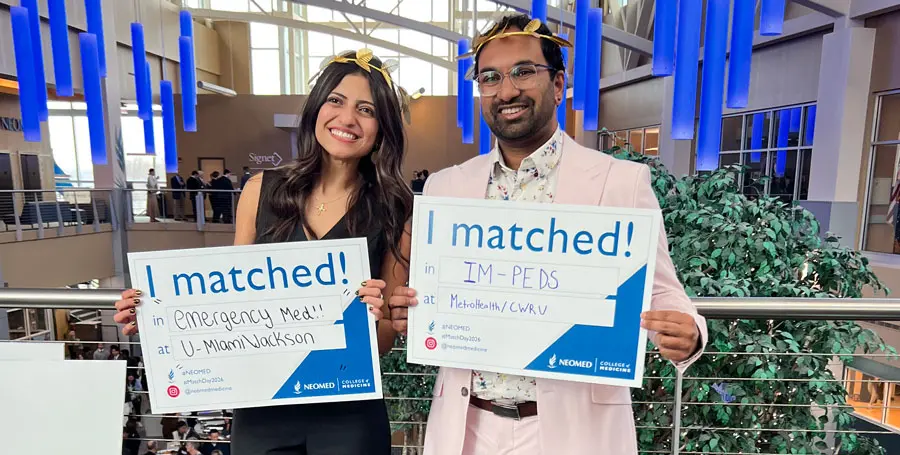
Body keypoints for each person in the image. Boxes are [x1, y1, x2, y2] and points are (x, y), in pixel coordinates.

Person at [387, 14, 708, 455]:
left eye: (523, 72)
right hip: (467, 427)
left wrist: (688, 330)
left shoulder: (618, 183)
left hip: (574, 431)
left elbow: (663, 292)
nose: (507, 90)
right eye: (490, 77)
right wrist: (413, 311)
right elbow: (434, 293)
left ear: (558, 85)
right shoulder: (446, 187)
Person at [113, 48, 414, 455]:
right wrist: (155, 316)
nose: (347, 119)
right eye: (336, 101)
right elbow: (229, 302)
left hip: (348, 409)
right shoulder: (260, 191)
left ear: (382, 128)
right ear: (315, 109)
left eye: (366, 109)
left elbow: (384, 341)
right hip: (263, 407)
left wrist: (377, 319)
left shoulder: (395, 207)